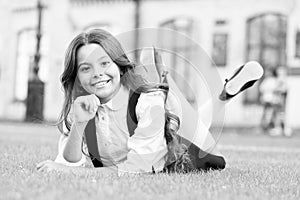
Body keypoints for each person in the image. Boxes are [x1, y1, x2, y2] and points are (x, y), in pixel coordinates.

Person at [37, 29, 264, 175]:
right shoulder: (81, 105)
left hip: (179, 152)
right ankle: (219, 94)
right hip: (156, 120)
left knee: (186, 121)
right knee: (173, 109)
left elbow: (138, 169)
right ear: (76, 77)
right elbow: (66, 163)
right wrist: (79, 124)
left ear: (119, 65)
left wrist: (74, 174)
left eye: (105, 63)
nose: (97, 73)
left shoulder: (145, 101)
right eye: (85, 68)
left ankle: (162, 81)